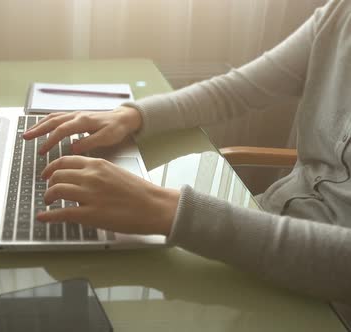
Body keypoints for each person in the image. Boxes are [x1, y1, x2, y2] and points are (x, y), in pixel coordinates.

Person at [23, 0, 351, 303]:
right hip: (266, 228)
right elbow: (236, 91)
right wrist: (132, 115)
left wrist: (168, 209)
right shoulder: (339, 14)